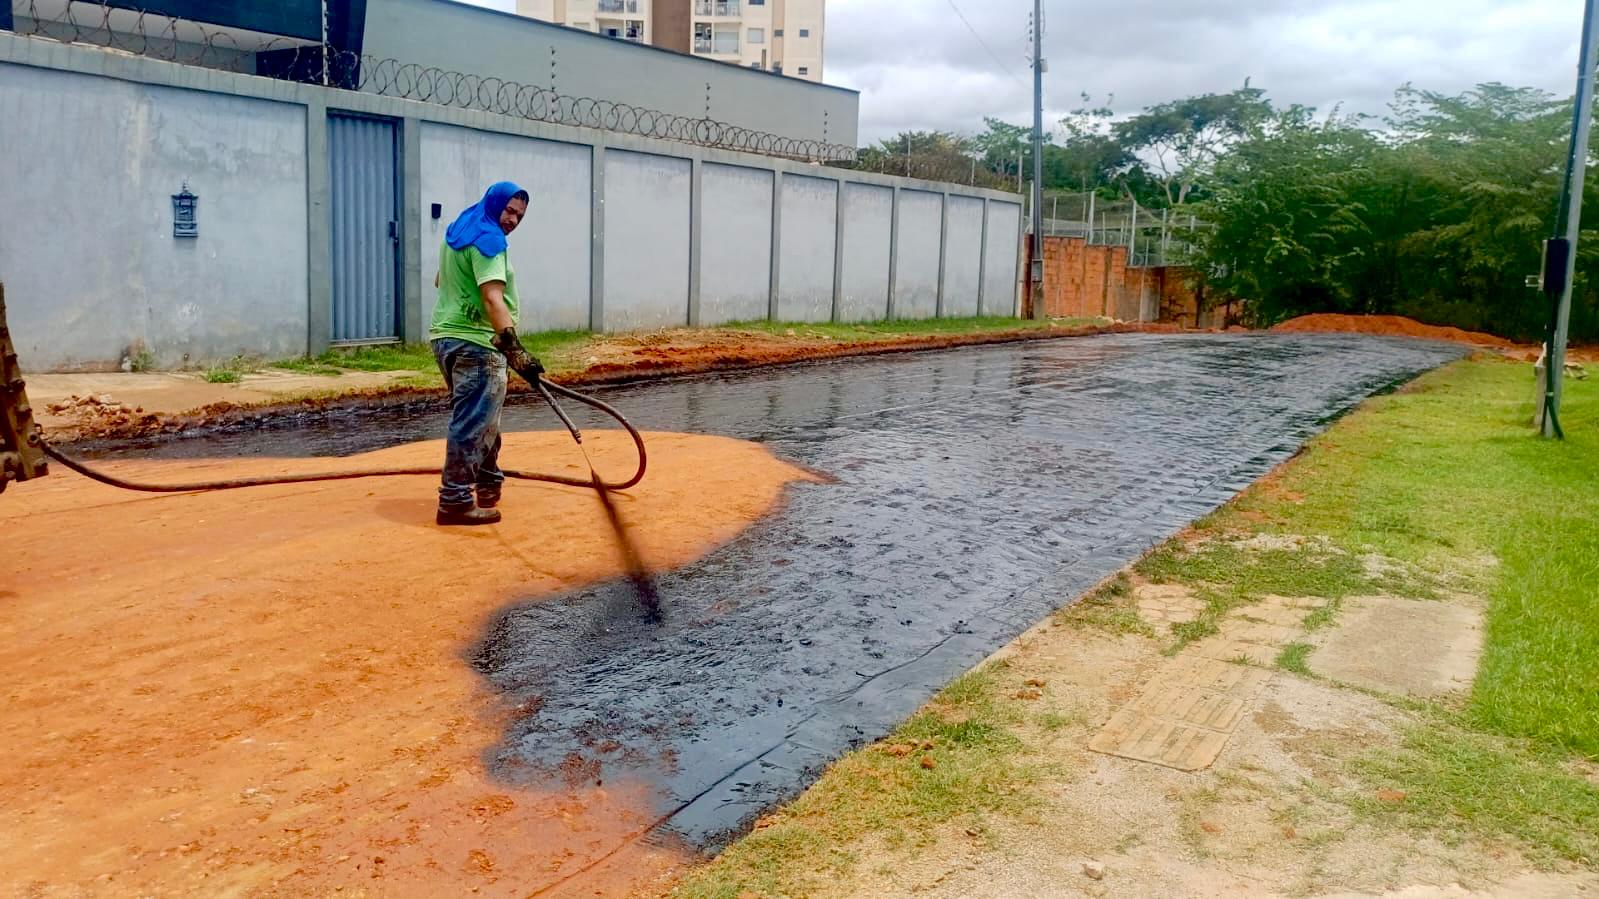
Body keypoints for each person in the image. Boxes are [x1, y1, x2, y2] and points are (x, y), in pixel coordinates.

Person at [429, 181, 547, 526]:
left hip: (445, 338)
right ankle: (454, 501)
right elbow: (493, 298)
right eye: (509, 211)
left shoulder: (460, 229)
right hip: (477, 344)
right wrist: (516, 351)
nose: (513, 220)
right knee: (473, 422)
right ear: (496, 204)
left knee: (482, 418)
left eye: (520, 216)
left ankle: (488, 483)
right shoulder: (489, 241)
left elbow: (439, 280)